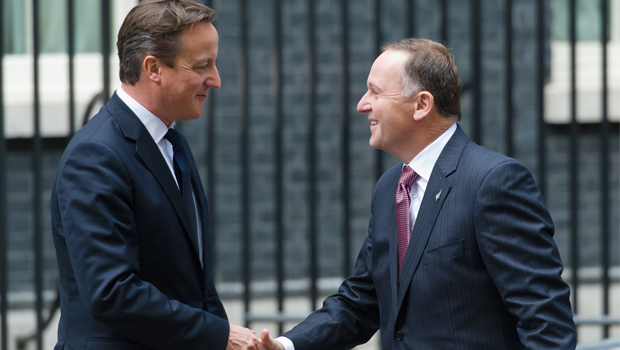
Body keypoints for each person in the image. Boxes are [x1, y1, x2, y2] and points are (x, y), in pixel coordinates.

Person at [258, 38, 577, 349]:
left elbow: (546, 321)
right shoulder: (389, 188)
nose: (362, 104)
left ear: (422, 104)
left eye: (376, 92)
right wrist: (286, 345)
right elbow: (360, 301)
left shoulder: (493, 181)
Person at [50, 1, 259, 349]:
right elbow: (112, 292)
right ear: (153, 68)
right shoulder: (96, 155)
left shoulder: (171, 140)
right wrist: (220, 335)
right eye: (202, 65)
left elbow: (192, 282)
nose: (217, 79)